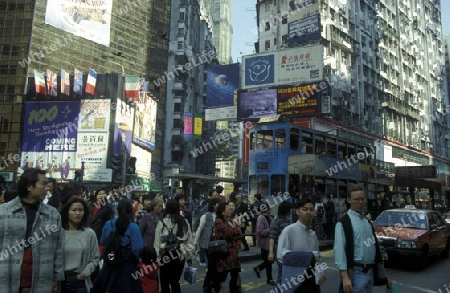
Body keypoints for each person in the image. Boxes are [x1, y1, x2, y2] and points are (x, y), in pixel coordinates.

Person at [0, 168, 65, 293]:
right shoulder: (4, 212)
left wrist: (57, 277)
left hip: (41, 281)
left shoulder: (52, 214)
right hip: (6, 280)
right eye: (44, 183)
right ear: (29, 186)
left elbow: (58, 248)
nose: (47, 188)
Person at [334, 185, 392, 293]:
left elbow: (375, 250)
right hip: (356, 273)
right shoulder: (343, 223)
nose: (360, 202)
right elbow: (339, 252)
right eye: (356, 199)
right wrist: (345, 277)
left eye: (362, 199)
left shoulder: (367, 222)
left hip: (370, 272)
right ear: (349, 200)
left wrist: (383, 275)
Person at [92, 199, 144, 293]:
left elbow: (103, 241)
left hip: (109, 264)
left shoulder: (109, 224)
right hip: (127, 267)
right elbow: (138, 248)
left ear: (118, 210)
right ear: (130, 211)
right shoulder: (133, 227)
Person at [277, 199, 326, 292]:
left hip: (311, 280)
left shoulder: (313, 234)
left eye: (311, 209)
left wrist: (321, 274)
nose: (309, 212)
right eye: (305, 209)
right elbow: (281, 255)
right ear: (297, 211)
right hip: (296, 280)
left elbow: (317, 257)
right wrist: (308, 257)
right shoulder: (289, 231)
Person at [61, 197, 100, 293]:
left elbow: (95, 258)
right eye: (74, 210)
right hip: (60, 280)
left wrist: (83, 274)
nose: (77, 213)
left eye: (80, 210)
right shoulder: (60, 233)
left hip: (80, 281)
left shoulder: (89, 233)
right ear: (67, 212)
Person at [154, 199, 194, 293]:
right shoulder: (184, 222)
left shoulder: (162, 222)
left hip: (165, 256)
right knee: (175, 282)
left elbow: (157, 243)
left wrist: (158, 258)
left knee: (164, 283)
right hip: (180, 255)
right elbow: (189, 241)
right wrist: (190, 257)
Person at [210, 201, 242, 293]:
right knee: (221, 276)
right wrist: (235, 232)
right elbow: (229, 232)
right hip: (224, 253)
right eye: (228, 209)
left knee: (234, 274)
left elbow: (239, 233)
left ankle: (233, 290)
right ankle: (213, 288)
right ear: (223, 212)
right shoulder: (219, 221)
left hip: (233, 253)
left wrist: (235, 232)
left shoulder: (231, 221)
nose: (231, 210)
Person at [268, 200, 292, 286]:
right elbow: (272, 237)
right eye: (290, 209)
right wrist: (271, 252)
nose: (291, 211)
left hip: (287, 248)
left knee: (284, 272)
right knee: (283, 270)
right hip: (278, 248)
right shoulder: (276, 221)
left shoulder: (288, 220)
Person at [194, 197, 220, 268]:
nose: (220, 205)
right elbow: (199, 230)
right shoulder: (206, 216)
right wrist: (195, 242)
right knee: (209, 263)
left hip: (218, 242)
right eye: (218, 204)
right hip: (208, 243)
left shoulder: (221, 216)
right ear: (213, 205)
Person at [253, 202, 275, 285]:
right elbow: (259, 231)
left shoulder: (270, 217)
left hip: (270, 242)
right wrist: (270, 231)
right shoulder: (261, 218)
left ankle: (258, 268)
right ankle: (270, 279)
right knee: (269, 262)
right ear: (267, 209)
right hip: (265, 243)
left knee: (269, 261)